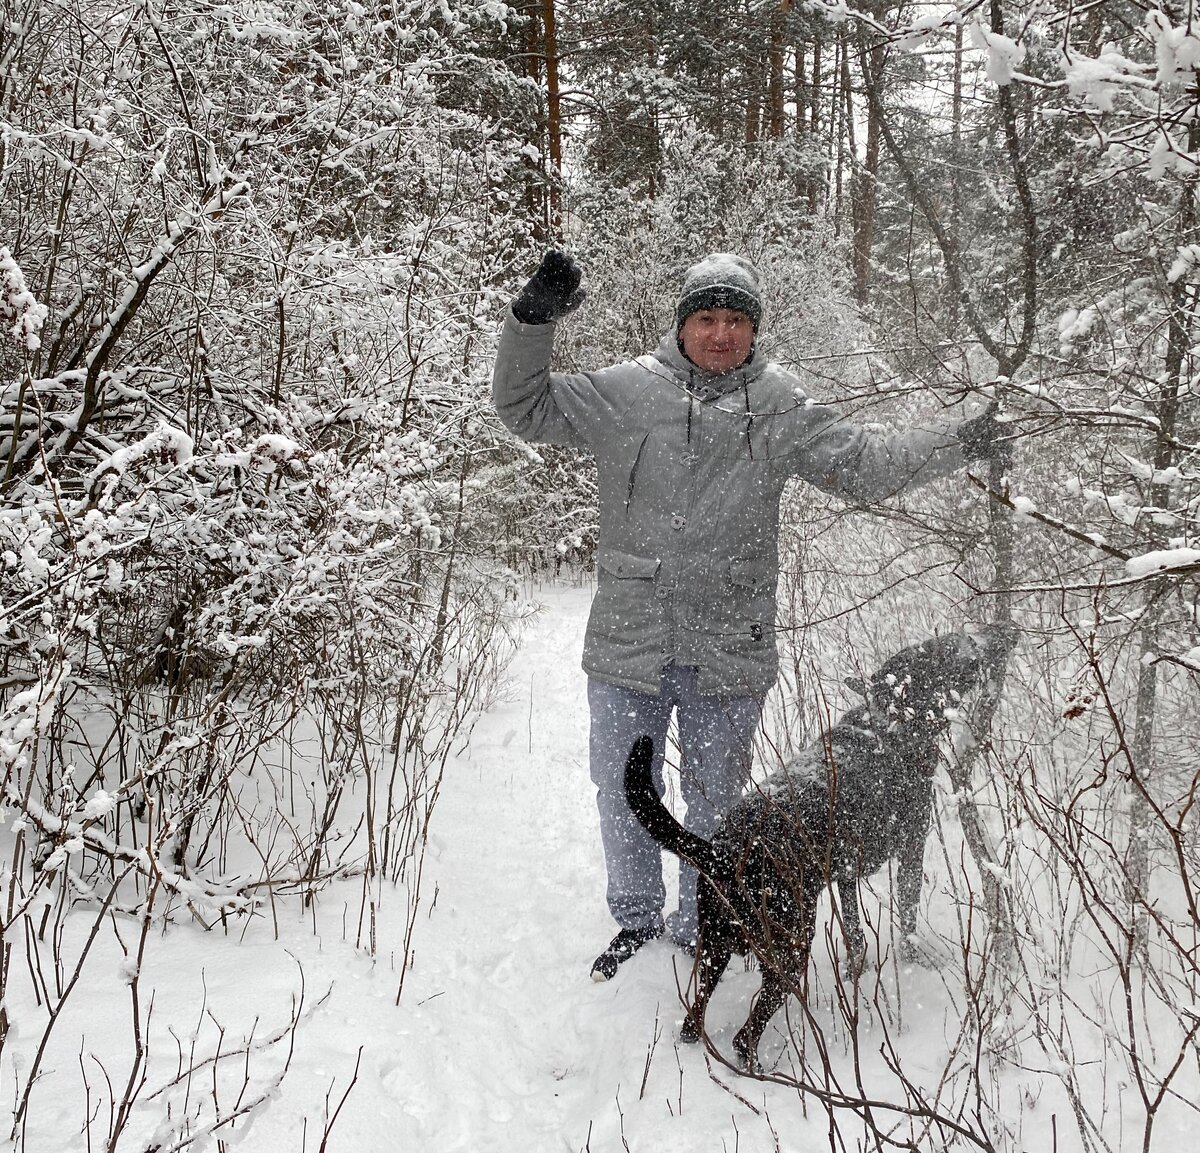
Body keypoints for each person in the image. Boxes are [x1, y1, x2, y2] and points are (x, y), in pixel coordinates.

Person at [492, 250, 1006, 981]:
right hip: (627, 641)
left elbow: (868, 466)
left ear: (754, 329)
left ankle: (703, 921)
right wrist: (532, 319)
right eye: (707, 316)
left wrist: (960, 441)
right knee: (620, 783)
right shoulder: (626, 392)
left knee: (717, 800)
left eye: (736, 319)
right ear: (683, 323)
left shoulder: (781, 406)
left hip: (729, 647)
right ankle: (635, 918)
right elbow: (523, 407)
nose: (722, 332)